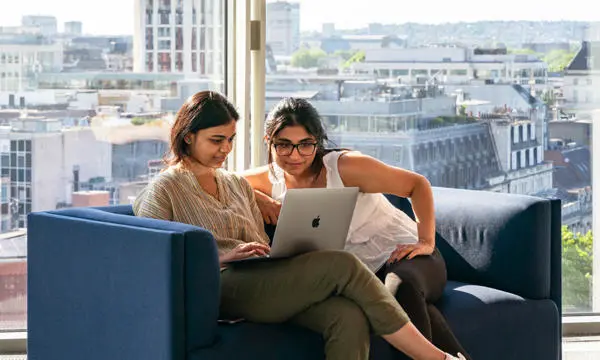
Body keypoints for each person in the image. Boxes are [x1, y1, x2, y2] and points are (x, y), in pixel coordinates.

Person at [133, 90, 465, 360]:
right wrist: (220, 258)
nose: (226, 149)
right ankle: (436, 359)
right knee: (341, 265)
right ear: (189, 137)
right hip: (220, 285)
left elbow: (259, 228)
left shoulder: (235, 184)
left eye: (231, 139)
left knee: (348, 317)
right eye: (216, 140)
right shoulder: (166, 187)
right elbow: (149, 256)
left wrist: (266, 224)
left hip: (262, 278)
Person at [243, 97, 470, 359]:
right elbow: (223, 179)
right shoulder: (266, 180)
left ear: (318, 141)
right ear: (268, 142)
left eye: (305, 145)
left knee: (399, 290)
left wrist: (426, 241)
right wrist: (258, 197)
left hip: (406, 256)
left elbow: (417, 185)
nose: (295, 155)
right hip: (361, 276)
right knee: (410, 309)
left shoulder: (346, 167)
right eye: (283, 145)